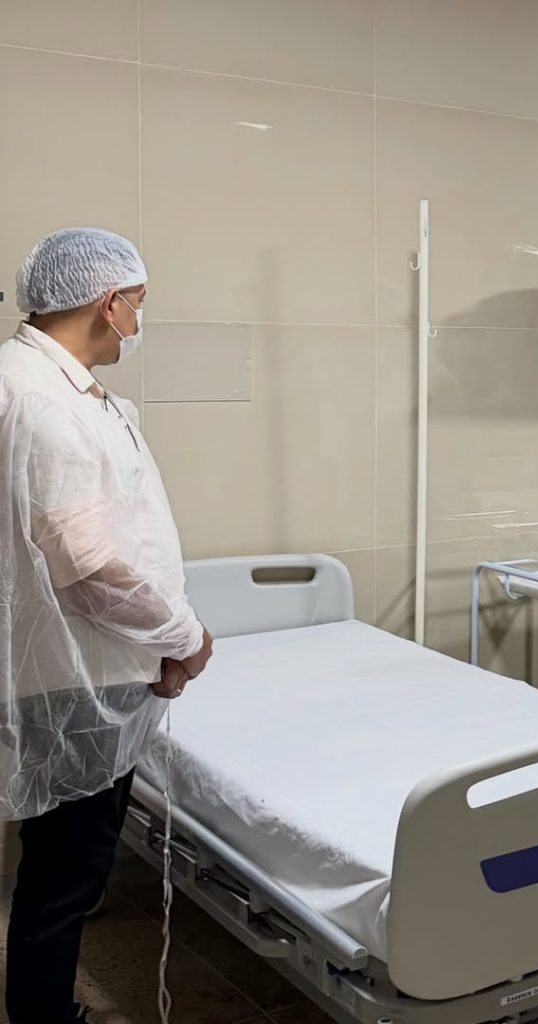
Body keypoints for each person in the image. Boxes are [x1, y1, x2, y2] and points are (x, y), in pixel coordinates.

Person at [0, 228, 214, 1024]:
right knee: (66, 876)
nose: (138, 319)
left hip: (78, 663)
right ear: (107, 302)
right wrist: (185, 637)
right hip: (77, 675)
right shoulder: (42, 402)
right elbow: (90, 568)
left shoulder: (50, 386)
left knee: (58, 867)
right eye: (138, 303)